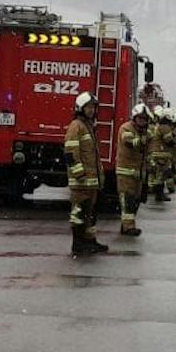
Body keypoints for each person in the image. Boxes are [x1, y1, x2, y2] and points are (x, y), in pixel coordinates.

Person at [64, 92, 107, 256]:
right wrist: (78, 173)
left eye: (93, 107)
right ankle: (78, 244)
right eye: (88, 107)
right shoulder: (76, 126)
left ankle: (90, 241)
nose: (91, 110)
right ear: (80, 108)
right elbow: (70, 152)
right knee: (79, 213)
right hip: (81, 181)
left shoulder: (88, 126)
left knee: (90, 213)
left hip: (91, 181)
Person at [115, 103, 151, 237]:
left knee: (136, 200)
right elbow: (130, 142)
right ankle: (128, 227)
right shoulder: (126, 128)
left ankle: (126, 225)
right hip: (125, 172)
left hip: (138, 173)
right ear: (134, 118)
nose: (142, 121)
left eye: (144, 119)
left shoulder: (145, 132)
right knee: (127, 200)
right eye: (140, 118)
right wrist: (142, 140)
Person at [148, 107, 171, 203]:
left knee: (154, 174)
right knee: (161, 175)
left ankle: (155, 191)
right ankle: (159, 194)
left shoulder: (154, 126)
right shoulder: (164, 127)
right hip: (160, 154)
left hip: (153, 152)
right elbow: (168, 140)